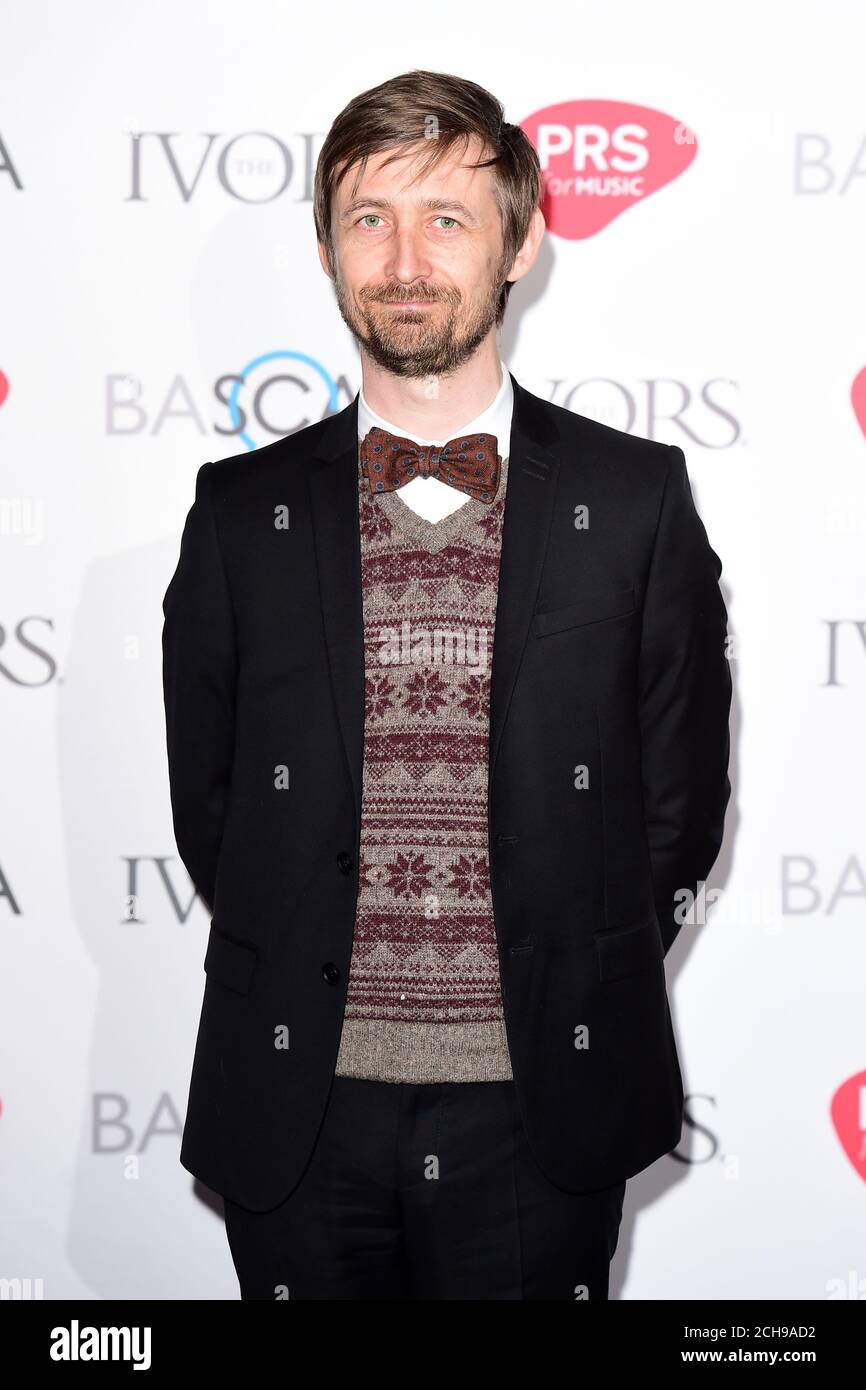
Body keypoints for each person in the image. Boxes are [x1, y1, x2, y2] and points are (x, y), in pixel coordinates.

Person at [161, 69, 733, 1300]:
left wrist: (573, 968)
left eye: (447, 217)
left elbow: (677, 810)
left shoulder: (634, 502)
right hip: (296, 1112)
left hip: (542, 1116)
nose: (405, 258)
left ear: (519, 243)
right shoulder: (236, 513)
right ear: (325, 248)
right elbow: (214, 818)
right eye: (369, 216)